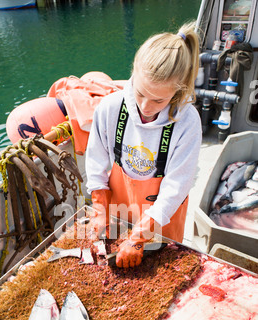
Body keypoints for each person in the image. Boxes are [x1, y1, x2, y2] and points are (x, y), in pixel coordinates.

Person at [85, 22, 202, 268]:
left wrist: (139, 237)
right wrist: (99, 208)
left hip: (163, 217)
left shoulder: (187, 122)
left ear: (178, 92)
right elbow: (96, 160)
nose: (145, 107)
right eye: (140, 93)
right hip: (120, 206)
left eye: (158, 100)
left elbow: (175, 188)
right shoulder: (110, 107)